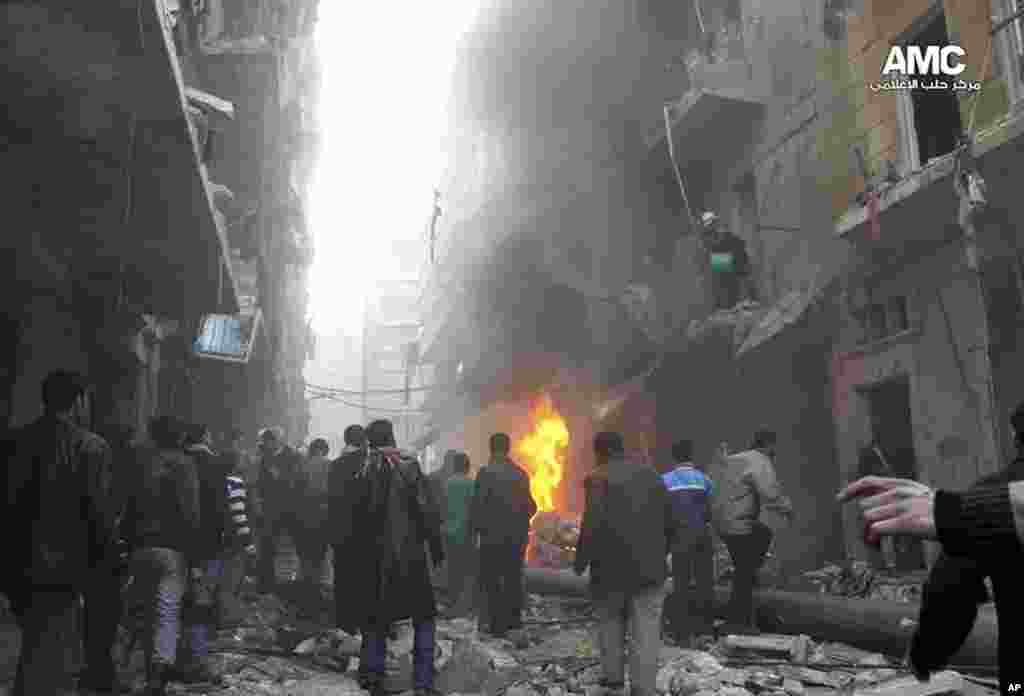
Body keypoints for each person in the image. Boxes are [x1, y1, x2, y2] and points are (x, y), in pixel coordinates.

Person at [5, 370, 116, 696]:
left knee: (33, 649)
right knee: (56, 659)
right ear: (80, 401)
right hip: (64, 569)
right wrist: (106, 564)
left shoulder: (13, 441)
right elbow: (97, 512)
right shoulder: (91, 446)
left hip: (16, 566)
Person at [333, 420, 444, 696]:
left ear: (369, 442)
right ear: (392, 437)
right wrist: (437, 549)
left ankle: (372, 679)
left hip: (372, 560)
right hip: (409, 558)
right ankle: (423, 683)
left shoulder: (359, 470)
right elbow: (427, 512)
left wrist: (346, 557)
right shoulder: (409, 467)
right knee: (424, 618)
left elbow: (347, 518)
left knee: (374, 620)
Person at [574, 432, 675, 696]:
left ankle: (613, 681)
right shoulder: (653, 476)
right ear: (622, 449)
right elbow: (670, 520)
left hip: (609, 570)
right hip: (650, 570)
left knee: (610, 622)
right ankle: (643, 688)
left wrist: (580, 561)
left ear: (599, 453)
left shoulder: (598, 478)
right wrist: (663, 553)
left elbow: (592, 523)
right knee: (646, 630)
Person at [122, 415, 201, 696]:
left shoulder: (138, 462)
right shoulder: (184, 465)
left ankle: (139, 669)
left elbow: (126, 505)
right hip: (172, 549)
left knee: (143, 610)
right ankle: (158, 673)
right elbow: (191, 512)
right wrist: (195, 555)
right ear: (179, 437)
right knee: (166, 612)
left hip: (140, 547)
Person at [708, 430, 793, 631]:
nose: (776, 453)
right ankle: (739, 621)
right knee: (748, 565)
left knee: (743, 569)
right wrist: (787, 508)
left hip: (721, 523)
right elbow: (770, 492)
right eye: (775, 448)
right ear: (769, 445)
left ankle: (740, 617)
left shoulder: (734, 459)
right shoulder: (759, 460)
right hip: (739, 524)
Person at [80, 422, 138, 694]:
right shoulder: (123, 470)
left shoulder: (94, 468)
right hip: (108, 552)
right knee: (110, 617)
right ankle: (104, 674)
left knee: (95, 618)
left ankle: (96, 672)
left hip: (91, 552)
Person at [175, 423, 228, 685]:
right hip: (208, 544)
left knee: (176, 601)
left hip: (175, 542)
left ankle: (176, 655)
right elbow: (221, 509)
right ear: (206, 436)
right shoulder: (215, 465)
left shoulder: (176, 460)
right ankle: (196, 659)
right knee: (201, 601)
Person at [470, 432, 537, 637]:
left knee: (491, 579)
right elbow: (531, 507)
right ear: (508, 449)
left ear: (491, 449)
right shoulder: (521, 473)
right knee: (513, 578)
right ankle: (513, 623)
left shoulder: (485, 473)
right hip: (516, 538)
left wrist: (477, 532)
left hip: (492, 538)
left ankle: (496, 626)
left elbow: (478, 507)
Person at [659, 439, 714, 644]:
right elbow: (709, 512)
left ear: (674, 457)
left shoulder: (664, 480)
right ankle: (705, 631)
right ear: (692, 456)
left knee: (681, 584)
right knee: (704, 583)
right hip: (702, 537)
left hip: (679, 538)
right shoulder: (704, 480)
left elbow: (662, 513)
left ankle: (681, 632)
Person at [253, 427, 305, 587]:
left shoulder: (294, 455)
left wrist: (280, 477)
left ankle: (302, 580)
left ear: (279, 441)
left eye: (271, 441)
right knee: (267, 545)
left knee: (300, 544)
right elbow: (261, 481)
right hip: (271, 506)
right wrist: (260, 500)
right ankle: (266, 582)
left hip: (292, 506)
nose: (268, 444)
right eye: (266, 441)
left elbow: (299, 480)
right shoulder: (264, 457)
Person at [329, 424, 366, 631]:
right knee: (365, 577)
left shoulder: (336, 466)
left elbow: (333, 501)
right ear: (363, 441)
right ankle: (364, 620)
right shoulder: (372, 465)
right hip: (367, 533)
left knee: (343, 578)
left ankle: (345, 623)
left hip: (342, 532)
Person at [217, 427, 254, 626]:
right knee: (231, 580)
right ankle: (226, 619)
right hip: (233, 539)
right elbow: (239, 514)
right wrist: (248, 543)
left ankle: (219, 618)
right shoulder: (235, 482)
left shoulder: (217, 480)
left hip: (218, 537)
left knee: (218, 579)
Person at [699, 211, 757, 311]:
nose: (712, 225)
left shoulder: (722, 232)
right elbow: (712, 246)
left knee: (740, 278)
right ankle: (731, 303)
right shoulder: (709, 235)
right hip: (722, 257)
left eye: (713, 222)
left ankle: (745, 300)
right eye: (710, 224)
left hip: (733, 256)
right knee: (726, 281)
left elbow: (737, 243)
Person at [443, 452, 476, 617]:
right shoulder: (471, 484)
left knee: (453, 570)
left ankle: (451, 603)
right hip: (466, 534)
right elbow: (475, 510)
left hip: (449, 533)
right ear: (467, 466)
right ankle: (464, 606)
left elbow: (442, 508)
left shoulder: (447, 484)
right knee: (466, 571)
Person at [298, 437, 332, 587]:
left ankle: (306, 579)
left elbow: (298, 487)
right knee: (321, 547)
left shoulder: (304, 464)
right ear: (324, 450)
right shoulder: (329, 464)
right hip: (324, 509)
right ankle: (319, 581)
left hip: (306, 509)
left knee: (307, 545)